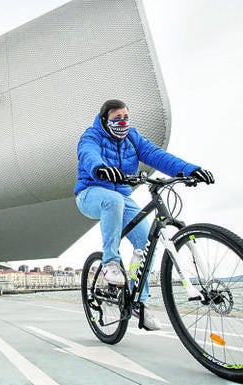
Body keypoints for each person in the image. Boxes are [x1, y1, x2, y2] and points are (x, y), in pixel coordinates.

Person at [74, 99, 214, 331]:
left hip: (122, 195)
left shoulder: (132, 137)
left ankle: (139, 302)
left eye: (126, 117)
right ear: (104, 120)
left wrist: (191, 170)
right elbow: (88, 154)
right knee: (113, 200)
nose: (123, 122)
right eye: (117, 119)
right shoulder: (92, 135)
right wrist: (99, 168)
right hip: (91, 192)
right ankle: (110, 263)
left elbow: (156, 155)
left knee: (145, 241)